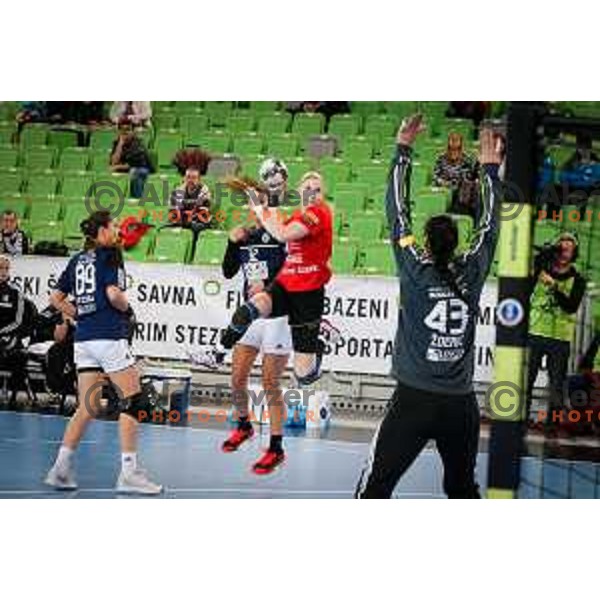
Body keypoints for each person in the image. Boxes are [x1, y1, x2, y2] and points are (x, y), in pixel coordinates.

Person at [354, 115, 502, 499]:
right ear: (457, 243)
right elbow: (490, 224)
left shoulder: (415, 267)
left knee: (375, 488)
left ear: (427, 241)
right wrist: (490, 171)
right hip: (460, 406)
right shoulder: (472, 270)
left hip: (413, 402)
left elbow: (396, 214)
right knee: (461, 489)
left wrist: (403, 149)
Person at [192, 170, 334, 420]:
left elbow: (284, 238)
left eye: (317, 189)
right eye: (307, 189)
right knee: (238, 370)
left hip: (291, 306)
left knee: (286, 379)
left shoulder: (308, 218)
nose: (312, 194)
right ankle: (220, 361)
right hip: (271, 300)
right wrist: (232, 242)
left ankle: (316, 345)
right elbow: (229, 271)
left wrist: (261, 206)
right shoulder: (251, 233)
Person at [44, 211, 161, 494]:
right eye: (114, 227)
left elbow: (55, 298)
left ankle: (60, 468)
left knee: (88, 406)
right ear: (101, 232)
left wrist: (80, 316)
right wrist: (127, 307)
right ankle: (129, 473)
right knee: (134, 401)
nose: (118, 231)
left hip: (84, 341)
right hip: (109, 336)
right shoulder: (112, 254)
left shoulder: (77, 259)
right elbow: (113, 295)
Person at [214, 158, 292, 474]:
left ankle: (276, 447)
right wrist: (231, 244)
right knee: (237, 378)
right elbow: (228, 271)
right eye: (252, 205)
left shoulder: (282, 233)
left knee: (270, 382)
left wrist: (268, 287)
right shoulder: (245, 235)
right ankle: (244, 425)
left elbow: (292, 275)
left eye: (260, 204)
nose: (254, 210)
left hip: (277, 315)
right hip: (250, 317)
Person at [526, 232, 586, 431]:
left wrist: (553, 286)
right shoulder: (541, 270)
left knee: (556, 386)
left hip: (560, 338)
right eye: (560, 248)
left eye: (568, 249)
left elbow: (570, 306)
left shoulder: (578, 279)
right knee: (526, 380)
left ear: (574, 253)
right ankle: (521, 419)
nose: (563, 253)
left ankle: (553, 424)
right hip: (535, 332)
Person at [0, 255, 38, 407]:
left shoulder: (16, 292)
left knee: (18, 357)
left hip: (10, 338)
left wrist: (2, 332)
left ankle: (13, 398)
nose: (3, 271)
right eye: (0, 268)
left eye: (6, 268)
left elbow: (18, 321)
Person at [110, 123, 154, 199]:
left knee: (135, 172)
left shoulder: (138, 144)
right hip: (127, 170)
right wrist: (120, 144)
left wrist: (117, 167)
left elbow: (133, 164)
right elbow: (114, 162)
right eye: (122, 130)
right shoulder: (117, 143)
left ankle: (136, 199)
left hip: (142, 169)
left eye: (128, 130)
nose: (125, 132)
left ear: (133, 132)